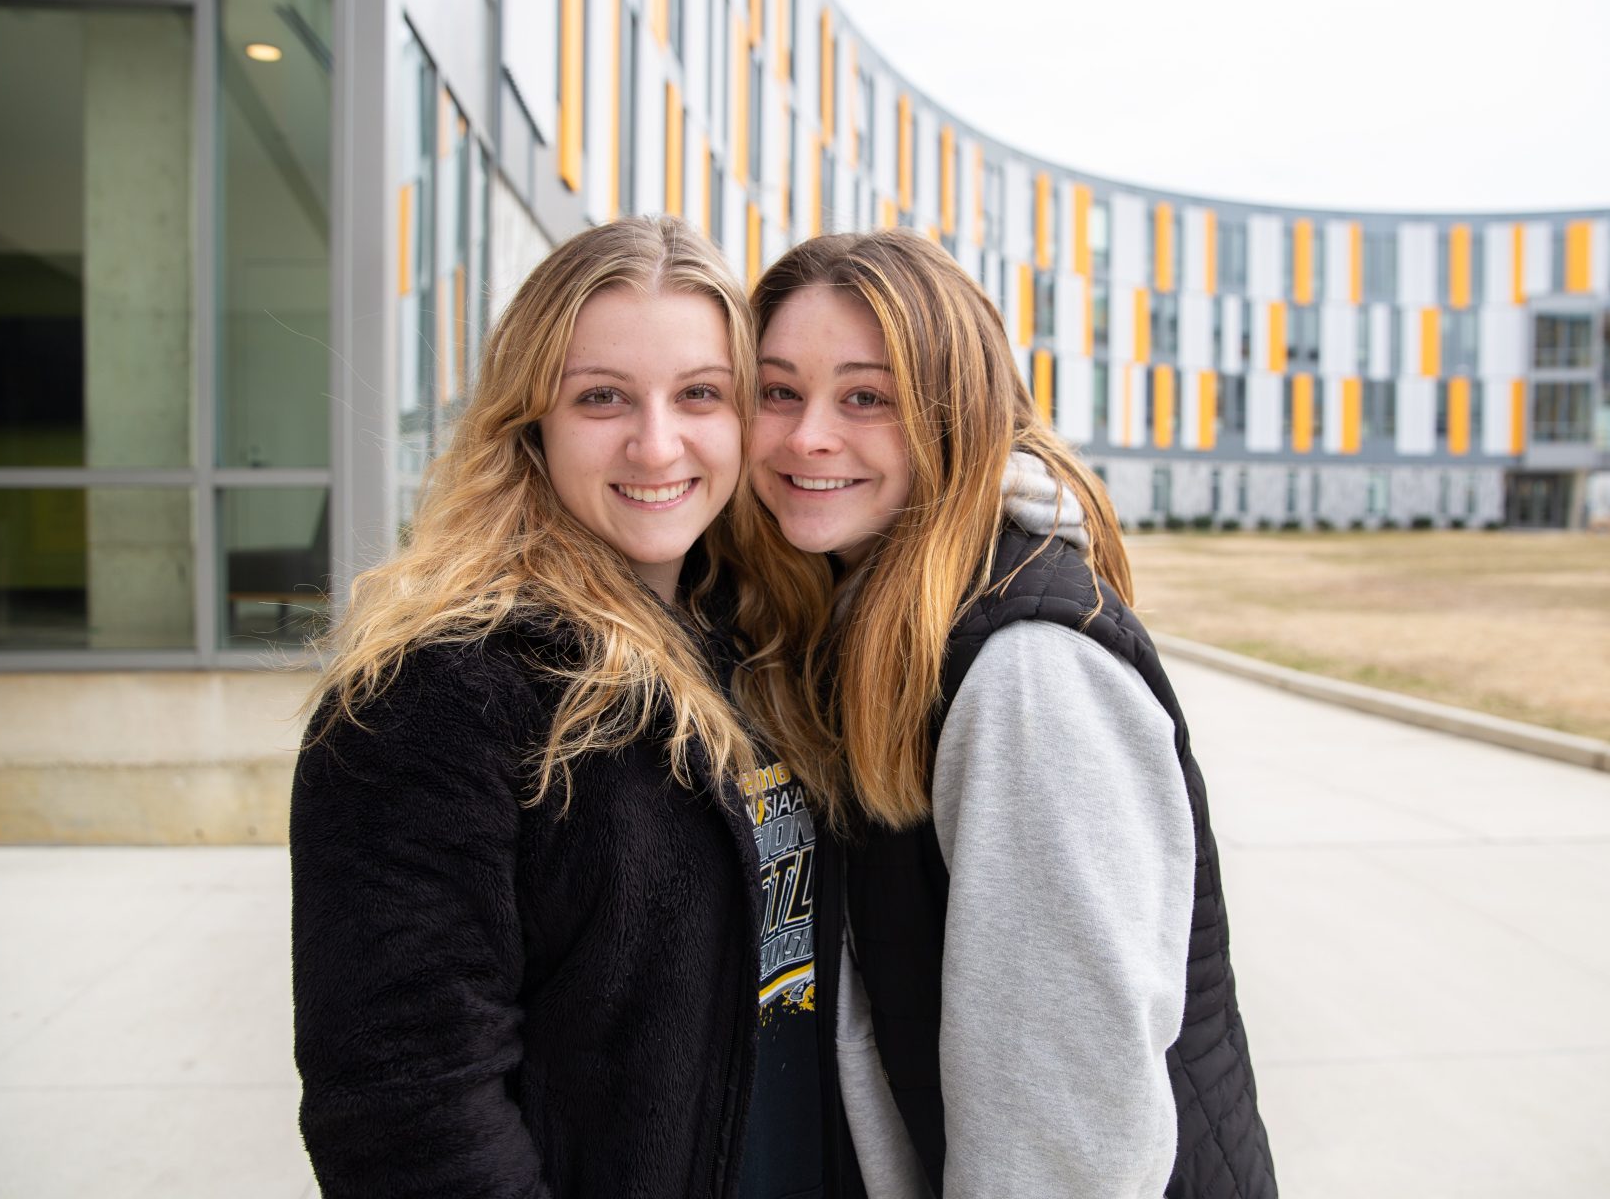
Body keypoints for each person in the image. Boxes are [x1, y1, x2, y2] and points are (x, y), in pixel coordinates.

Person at [289, 215, 838, 1197]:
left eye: (701, 393)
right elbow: (407, 1108)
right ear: (530, 417)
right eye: (602, 397)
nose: (656, 441)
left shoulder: (753, 635)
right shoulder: (437, 693)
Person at [733, 230, 1277, 1198]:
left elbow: (1067, 1127)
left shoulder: (1024, 665)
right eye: (778, 390)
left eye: (867, 396)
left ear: (955, 414)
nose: (807, 434)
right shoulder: (864, 608)